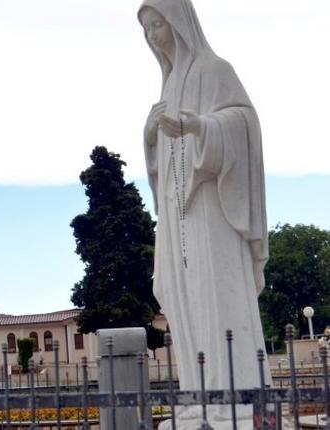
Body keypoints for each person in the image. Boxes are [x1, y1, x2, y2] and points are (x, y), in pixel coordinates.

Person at [139, 0, 269, 427]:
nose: (154, 35)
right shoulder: (169, 83)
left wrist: (199, 127)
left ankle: (237, 398)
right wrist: (150, 136)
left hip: (212, 208)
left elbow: (244, 123)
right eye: (148, 28)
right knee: (184, 300)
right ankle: (199, 396)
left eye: (159, 24)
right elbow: (162, 161)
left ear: (179, 23)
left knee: (217, 298)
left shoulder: (215, 71)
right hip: (177, 217)